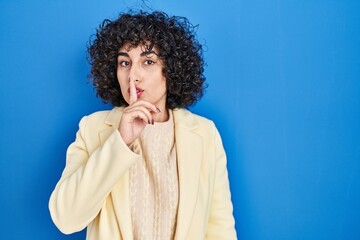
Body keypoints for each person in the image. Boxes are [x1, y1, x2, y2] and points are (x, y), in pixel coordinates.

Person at [49, 10, 237, 240]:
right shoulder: (93, 129)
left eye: (148, 61)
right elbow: (66, 219)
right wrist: (119, 142)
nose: (133, 75)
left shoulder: (205, 133)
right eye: (124, 62)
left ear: (172, 69)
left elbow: (220, 229)